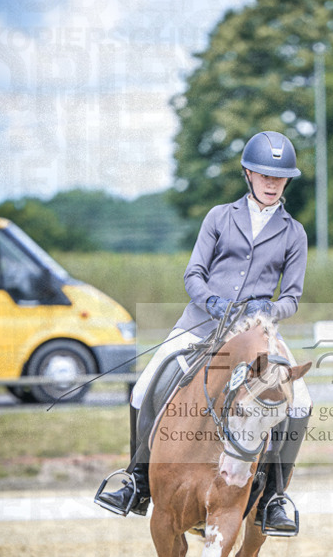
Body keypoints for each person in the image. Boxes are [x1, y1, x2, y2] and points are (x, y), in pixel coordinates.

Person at [96, 130, 311, 532]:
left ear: (286, 181)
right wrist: (210, 301)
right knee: (145, 385)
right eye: (264, 175)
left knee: (300, 400)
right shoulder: (218, 217)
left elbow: (293, 298)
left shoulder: (293, 232)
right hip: (200, 323)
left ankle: (275, 497)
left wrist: (270, 308)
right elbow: (193, 273)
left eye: (278, 177)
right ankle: (137, 479)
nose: (270, 183)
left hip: (257, 335)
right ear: (248, 173)